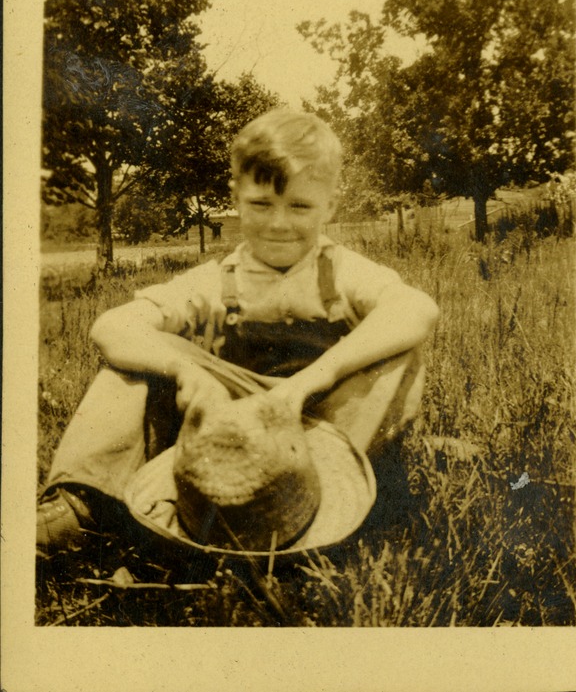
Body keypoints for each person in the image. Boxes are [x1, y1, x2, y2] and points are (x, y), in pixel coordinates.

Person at [37, 109, 439, 557]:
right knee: (137, 357)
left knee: (395, 355)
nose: (279, 224)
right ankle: (88, 504)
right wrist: (188, 371)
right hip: (234, 432)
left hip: (326, 426)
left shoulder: (342, 273)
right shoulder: (216, 280)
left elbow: (417, 309)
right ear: (236, 197)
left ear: (331, 205)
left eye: (300, 206)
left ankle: (332, 501)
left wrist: (314, 379)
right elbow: (110, 327)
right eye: (261, 204)